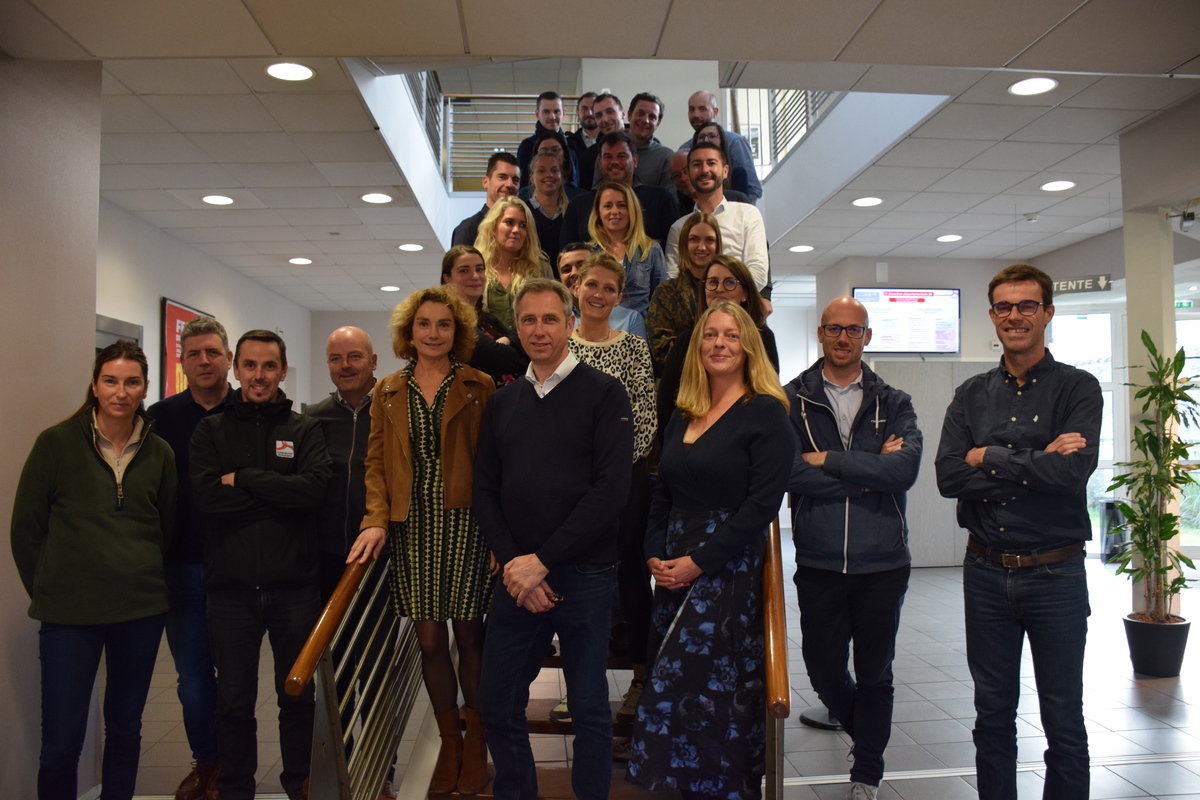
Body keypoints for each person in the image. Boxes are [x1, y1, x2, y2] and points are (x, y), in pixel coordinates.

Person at [935, 264, 1100, 800]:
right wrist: (1034, 462)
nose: (1015, 316)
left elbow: (1071, 474)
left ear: (1047, 313)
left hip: (1057, 575)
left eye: (1027, 306)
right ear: (992, 316)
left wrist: (992, 456)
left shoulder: (1079, 387)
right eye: (1004, 307)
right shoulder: (971, 394)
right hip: (986, 573)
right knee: (992, 714)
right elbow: (948, 475)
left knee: (1063, 718)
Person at [474, 278, 634, 800]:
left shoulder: (605, 394)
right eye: (527, 320)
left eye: (549, 319)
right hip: (517, 576)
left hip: (584, 573)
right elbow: (485, 491)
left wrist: (541, 561)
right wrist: (517, 564)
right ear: (515, 328)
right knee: (497, 701)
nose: (538, 330)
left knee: (588, 706)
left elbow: (611, 492)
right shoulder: (503, 402)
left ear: (570, 324)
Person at [627, 301, 793, 799]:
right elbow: (661, 490)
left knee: (710, 692)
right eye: (710, 335)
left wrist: (699, 562)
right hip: (673, 567)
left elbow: (761, 506)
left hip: (727, 570)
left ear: (748, 347)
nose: (719, 344)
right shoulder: (684, 412)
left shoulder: (766, 413)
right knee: (675, 690)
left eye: (731, 335)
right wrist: (654, 555)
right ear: (698, 346)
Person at [347, 286, 497, 794]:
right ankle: (448, 740)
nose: (433, 333)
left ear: (458, 332)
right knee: (429, 638)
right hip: (412, 525)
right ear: (409, 333)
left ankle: (475, 743)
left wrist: (501, 533)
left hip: (467, 522)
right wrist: (374, 517)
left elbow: (496, 465)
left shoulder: (478, 385)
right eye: (424, 325)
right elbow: (374, 463)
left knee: (471, 633)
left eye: (444, 324)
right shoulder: (388, 389)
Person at [12, 341, 177, 800]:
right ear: (94, 384)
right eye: (110, 381)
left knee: (124, 731)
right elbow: (26, 529)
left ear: (145, 387)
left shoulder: (159, 452)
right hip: (68, 617)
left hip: (140, 612)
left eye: (131, 382)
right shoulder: (56, 443)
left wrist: (136, 569)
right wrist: (52, 587)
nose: (120, 392)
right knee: (61, 743)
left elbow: (165, 526)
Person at [784, 297, 922, 800]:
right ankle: (868, 735)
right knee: (822, 670)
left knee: (876, 672)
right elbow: (788, 472)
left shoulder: (896, 402)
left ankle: (867, 772)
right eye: (835, 329)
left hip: (884, 564)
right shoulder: (790, 400)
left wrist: (829, 461)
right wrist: (866, 471)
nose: (844, 338)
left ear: (868, 336)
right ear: (821, 333)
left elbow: (903, 470)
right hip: (819, 561)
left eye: (854, 330)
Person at [190, 329, 331, 800]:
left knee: (297, 698)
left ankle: (299, 786)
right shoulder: (211, 430)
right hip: (230, 593)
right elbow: (208, 500)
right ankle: (235, 791)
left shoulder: (303, 428)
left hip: (295, 589)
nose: (258, 376)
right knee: (233, 703)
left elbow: (313, 492)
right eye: (249, 365)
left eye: (269, 366)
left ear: (283, 371)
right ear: (236, 369)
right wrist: (277, 494)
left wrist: (246, 479)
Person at [566, 253, 657, 739]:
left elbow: (643, 420)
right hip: (571, 486)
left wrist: (609, 475)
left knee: (629, 579)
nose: (598, 295)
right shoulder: (561, 348)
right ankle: (582, 681)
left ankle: (641, 677)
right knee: (577, 580)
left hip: (625, 480)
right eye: (590, 285)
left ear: (619, 297)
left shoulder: (633, 349)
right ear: (576, 288)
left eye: (608, 289)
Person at [147, 316, 235, 800]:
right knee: (194, 681)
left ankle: (235, 766)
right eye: (194, 353)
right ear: (182, 361)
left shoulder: (249, 410)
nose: (204, 361)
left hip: (240, 566)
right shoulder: (159, 419)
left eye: (213, 353)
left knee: (239, 679)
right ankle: (208, 762)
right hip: (180, 566)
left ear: (228, 358)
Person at [657, 255, 778, 433]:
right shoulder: (686, 340)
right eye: (713, 282)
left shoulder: (763, 337)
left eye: (729, 282)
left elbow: (766, 390)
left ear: (744, 293)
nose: (719, 289)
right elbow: (666, 403)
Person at [305, 326, 378, 601]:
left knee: (376, 641)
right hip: (326, 556)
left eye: (354, 357)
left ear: (373, 361)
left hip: (381, 555)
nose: (344, 366)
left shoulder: (395, 410)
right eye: (335, 359)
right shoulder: (312, 418)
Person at [665, 142, 769, 292]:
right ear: (689, 172)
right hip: (693, 313)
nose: (704, 170)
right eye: (697, 164)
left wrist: (721, 298)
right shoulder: (679, 228)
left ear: (725, 171)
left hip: (739, 310)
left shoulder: (747, 214)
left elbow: (758, 273)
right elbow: (673, 278)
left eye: (711, 163)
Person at [560, 131, 680, 252]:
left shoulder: (660, 199)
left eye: (622, 156)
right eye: (608, 157)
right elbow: (567, 254)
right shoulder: (578, 205)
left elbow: (673, 252)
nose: (615, 162)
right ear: (600, 163)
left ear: (635, 161)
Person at [441, 244, 529, 386]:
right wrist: (513, 345)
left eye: (479, 269)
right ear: (447, 279)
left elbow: (527, 342)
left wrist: (507, 339)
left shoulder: (487, 319)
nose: (475, 276)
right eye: (464, 270)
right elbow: (501, 358)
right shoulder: (449, 320)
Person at [646, 211, 721, 372]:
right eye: (694, 239)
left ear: (718, 245)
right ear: (684, 245)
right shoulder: (666, 292)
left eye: (709, 240)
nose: (702, 247)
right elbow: (659, 348)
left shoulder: (729, 290)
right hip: (680, 382)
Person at [587, 180, 668, 317]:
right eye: (607, 206)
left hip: (638, 331)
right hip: (598, 330)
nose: (614, 211)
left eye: (621, 205)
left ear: (632, 210)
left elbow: (662, 300)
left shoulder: (651, 250)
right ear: (598, 213)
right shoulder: (588, 253)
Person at [473, 195, 554, 331]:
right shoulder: (477, 269)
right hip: (487, 349)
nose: (516, 230)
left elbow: (552, 314)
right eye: (509, 222)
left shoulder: (541, 269)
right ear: (493, 226)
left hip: (532, 348)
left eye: (523, 225)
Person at [681, 91, 763, 204]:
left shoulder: (734, 142)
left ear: (715, 112)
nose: (696, 115)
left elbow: (753, 188)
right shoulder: (684, 149)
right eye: (691, 109)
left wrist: (743, 214)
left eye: (702, 109)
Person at [559, 242, 647, 339]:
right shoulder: (556, 319)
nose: (574, 273)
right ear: (577, 289)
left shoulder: (631, 320)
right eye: (566, 270)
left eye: (581, 266)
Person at [452, 152, 521, 247]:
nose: (510, 184)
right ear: (485, 182)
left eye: (515, 180)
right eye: (502, 177)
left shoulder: (522, 229)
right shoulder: (469, 229)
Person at [516, 91, 581, 190]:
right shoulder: (528, 146)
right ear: (537, 114)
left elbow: (576, 184)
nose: (552, 116)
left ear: (564, 113)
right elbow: (524, 184)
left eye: (556, 111)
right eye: (546, 112)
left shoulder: (572, 146)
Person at [523, 151, 570, 269]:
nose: (549, 175)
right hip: (533, 279)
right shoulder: (523, 211)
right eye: (541, 171)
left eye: (554, 171)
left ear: (562, 177)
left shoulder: (572, 211)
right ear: (532, 178)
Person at [620, 92, 673, 189]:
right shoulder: (609, 150)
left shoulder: (666, 157)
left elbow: (668, 199)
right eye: (640, 113)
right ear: (629, 115)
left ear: (658, 124)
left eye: (652, 117)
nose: (645, 120)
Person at [578, 92, 627, 191]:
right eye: (599, 115)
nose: (605, 119)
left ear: (623, 113)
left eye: (610, 112)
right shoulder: (590, 155)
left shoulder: (642, 145)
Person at [566, 91, 599, 167]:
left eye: (593, 108)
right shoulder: (569, 145)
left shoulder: (610, 140)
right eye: (584, 109)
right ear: (578, 113)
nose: (589, 113)